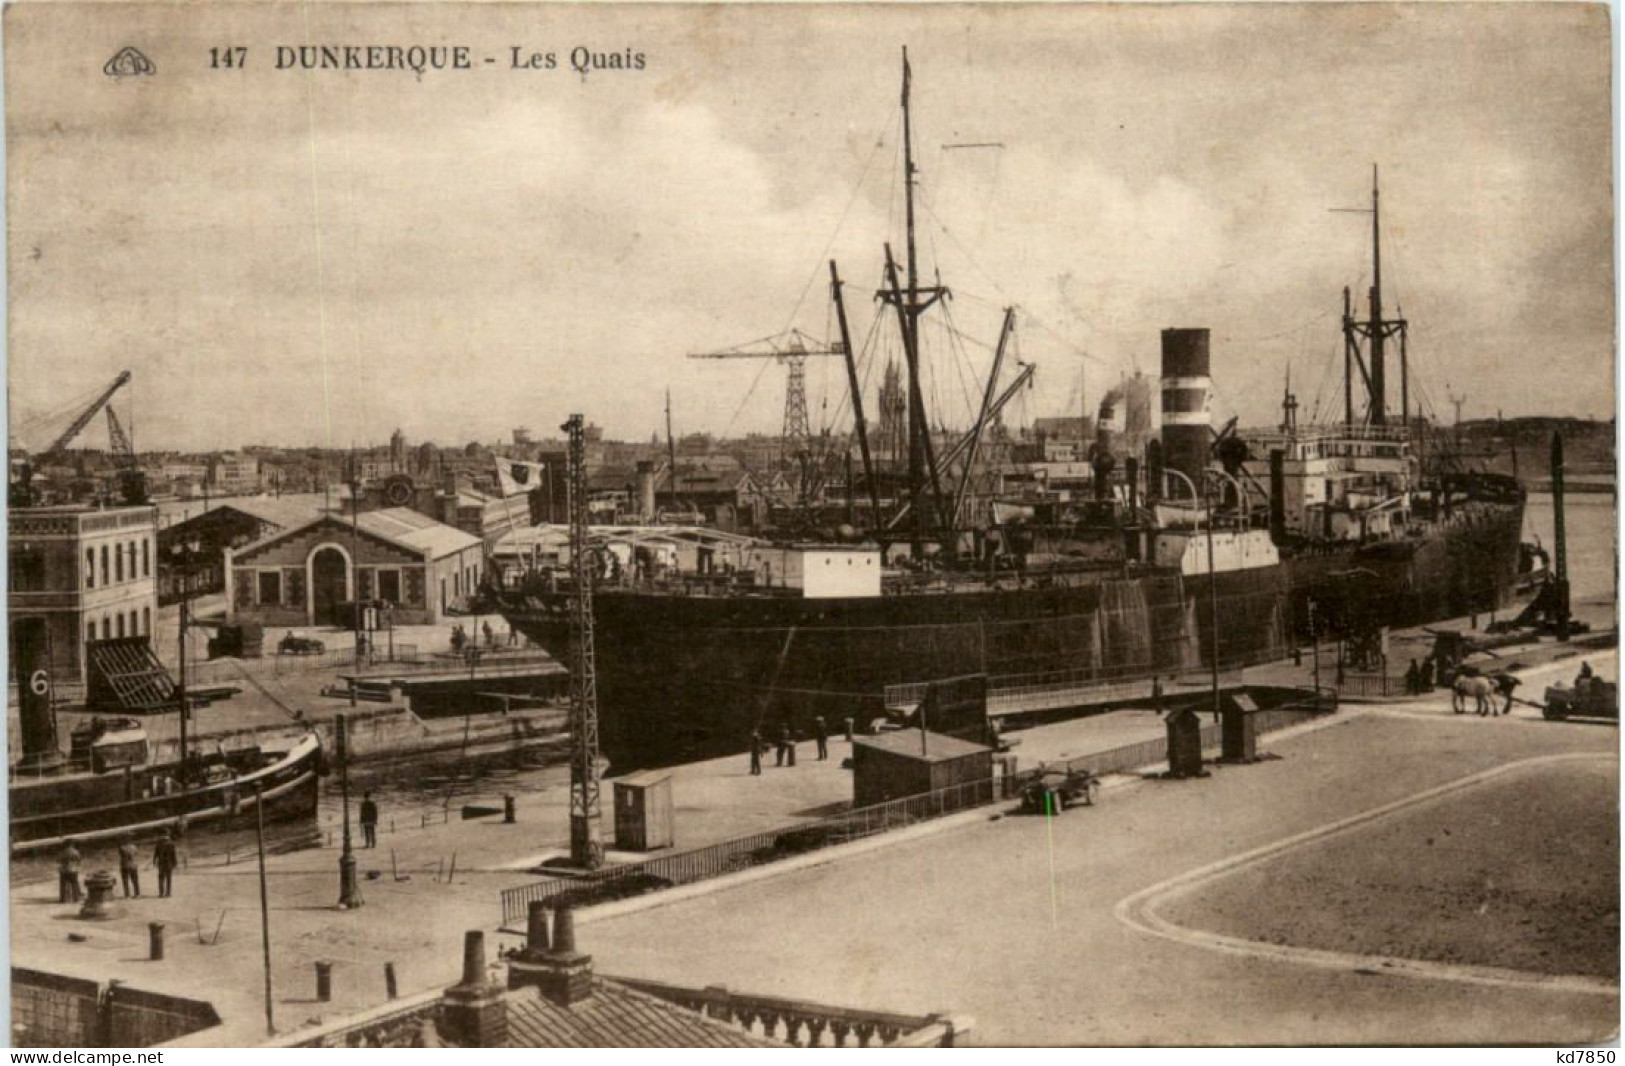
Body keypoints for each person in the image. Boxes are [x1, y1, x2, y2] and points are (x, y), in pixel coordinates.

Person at [154, 830, 179, 898]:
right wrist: (175, 863)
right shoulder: (171, 844)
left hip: (161, 863)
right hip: (169, 863)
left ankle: (161, 893)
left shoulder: (158, 844)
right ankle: (168, 893)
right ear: (168, 835)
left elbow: (155, 854)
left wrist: (154, 861)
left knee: (161, 878)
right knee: (169, 878)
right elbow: (174, 854)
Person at [59, 839, 82, 904]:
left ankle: (63, 898)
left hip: (64, 870)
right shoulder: (76, 851)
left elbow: (59, 860)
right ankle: (76, 898)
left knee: (63, 884)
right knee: (74, 883)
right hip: (73, 869)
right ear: (72, 844)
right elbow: (79, 859)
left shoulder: (63, 852)